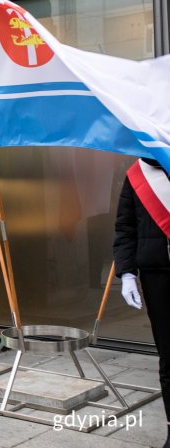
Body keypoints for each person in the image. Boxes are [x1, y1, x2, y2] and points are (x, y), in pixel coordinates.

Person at [113, 157, 170, 448]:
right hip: (157, 276)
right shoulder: (137, 174)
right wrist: (126, 273)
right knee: (168, 356)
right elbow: (125, 229)